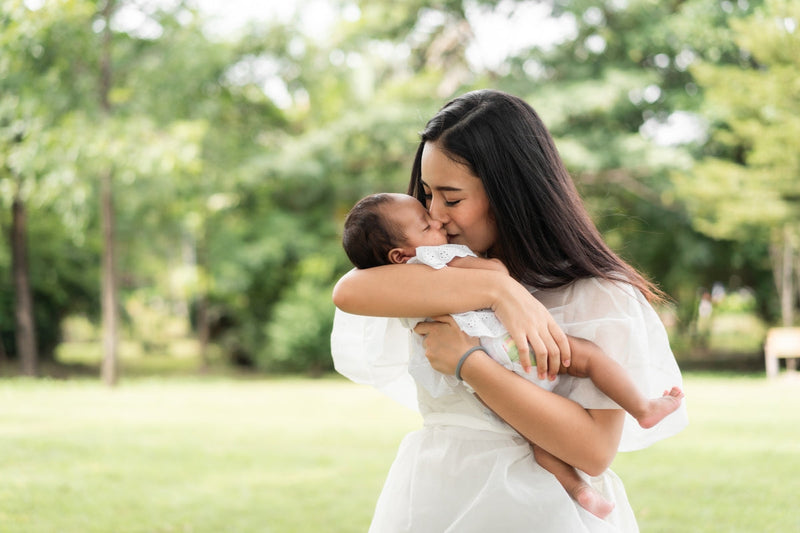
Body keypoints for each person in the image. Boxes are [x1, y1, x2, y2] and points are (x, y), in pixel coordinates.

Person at [331, 89, 688, 532]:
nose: (436, 215)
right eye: (427, 195)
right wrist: (501, 290)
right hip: (435, 494)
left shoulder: (597, 296)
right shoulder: (428, 279)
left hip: (537, 510)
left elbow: (594, 451)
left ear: (509, 194)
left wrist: (471, 364)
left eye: (452, 198)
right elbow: (348, 292)